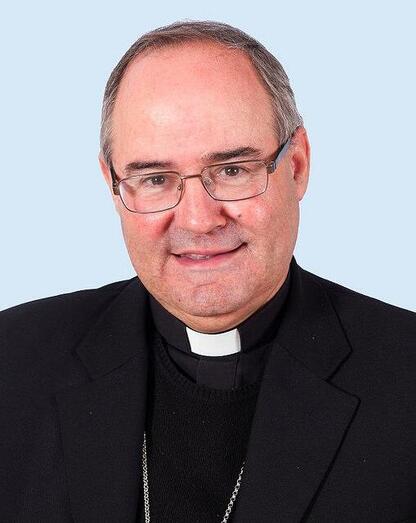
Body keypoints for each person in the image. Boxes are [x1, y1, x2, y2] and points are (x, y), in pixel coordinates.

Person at [1, 20, 415, 523]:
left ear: (297, 165)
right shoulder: (12, 362)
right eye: (155, 178)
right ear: (113, 186)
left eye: (233, 170)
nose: (198, 219)